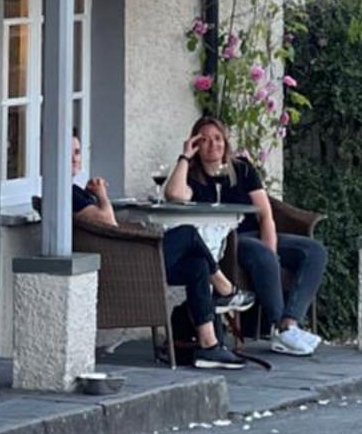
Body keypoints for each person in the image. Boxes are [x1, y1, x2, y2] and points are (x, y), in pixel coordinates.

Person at [69, 133, 247, 369]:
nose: (74, 159)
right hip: (126, 266)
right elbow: (108, 223)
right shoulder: (66, 193)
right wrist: (101, 195)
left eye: (78, 152)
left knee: (198, 266)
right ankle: (225, 288)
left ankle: (209, 345)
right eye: (68, 153)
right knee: (187, 233)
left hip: (132, 258)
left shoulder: (74, 190)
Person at [163, 113, 326, 357]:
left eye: (218, 138)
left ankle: (289, 323)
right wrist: (185, 156)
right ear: (196, 144)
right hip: (227, 241)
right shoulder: (192, 175)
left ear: (226, 142)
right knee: (259, 251)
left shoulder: (242, 169)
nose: (212, 144)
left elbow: (265, 215)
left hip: (255, 234)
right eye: (204, 140)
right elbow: (174, 195)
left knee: (314, 251)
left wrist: (270, 251)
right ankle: (278, 328)